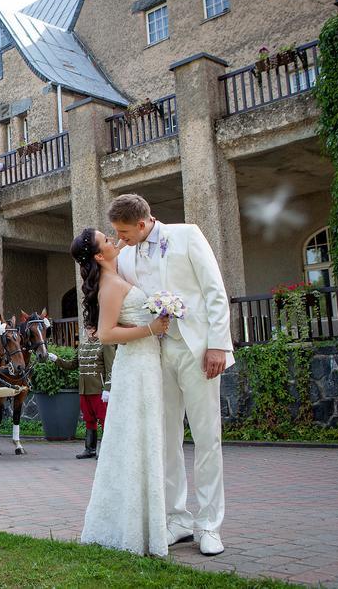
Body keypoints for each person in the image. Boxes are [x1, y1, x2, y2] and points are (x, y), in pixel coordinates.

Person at [109, 193, 234, 556]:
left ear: (144, 223)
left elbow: (214, 291)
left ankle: (210, 525)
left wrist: (218, 346)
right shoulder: (127, 255)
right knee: (165, 440)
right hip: (156, 355)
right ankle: (177, 519)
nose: (120, 238)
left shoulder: (188, 235)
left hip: (197, 351)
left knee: (207, 438)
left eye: (124, 231)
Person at [72, 227, 170, 557]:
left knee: (143, 441)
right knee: (135, 442)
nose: (114, 241)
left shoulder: (118, 274)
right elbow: (106, 333)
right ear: (100, 255)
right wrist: (151, 328)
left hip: (145, 364)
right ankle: (132, 529)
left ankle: (145, 524)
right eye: (108, 240)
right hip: (135, 367)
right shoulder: (110, 286)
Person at [56, 337, 115, 459]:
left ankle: (107, 451)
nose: (89, 330)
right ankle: (90, 449)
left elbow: (111, 367)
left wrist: (108, 388)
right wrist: (56, 359)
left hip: (99, 389)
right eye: (88, 327)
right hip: (84, 389)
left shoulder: (105, 344)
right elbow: (72, 364)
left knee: (104, 420)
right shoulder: (82, 346)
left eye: (91, 327)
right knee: (89, 419)